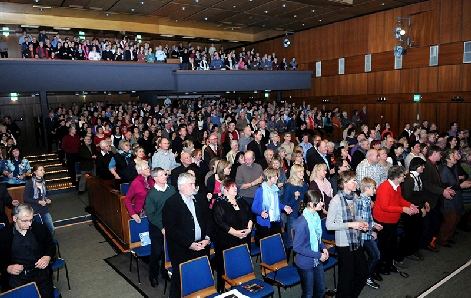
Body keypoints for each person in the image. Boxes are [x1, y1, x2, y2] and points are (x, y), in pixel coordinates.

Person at [162, 173, 213, 298]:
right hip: (182, 250)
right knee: (180, 280)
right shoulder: (171, 203)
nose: (194, 186)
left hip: (202, 246)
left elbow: (209, 220)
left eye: (194, 183)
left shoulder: (200, 199)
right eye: (191, 184)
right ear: (181, 186)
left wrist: (207, 238)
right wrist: (189, 244)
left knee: (200, 275)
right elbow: (171, 230)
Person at [326, 171, 369, 298]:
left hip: (356, 240)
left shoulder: (354, 197)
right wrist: (351, 225)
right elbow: (329, 225)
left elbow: (356, 216)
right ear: (345, 183)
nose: (356, 183)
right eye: (353, 181)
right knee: (347, 278)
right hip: (344, 243)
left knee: (362, 273)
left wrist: (362, 223)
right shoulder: (336, 201)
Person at [0, 204, 55, 297]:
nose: (29, 224)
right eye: (25, 221)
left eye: (31, 220)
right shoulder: (4, 235)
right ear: (14, 219)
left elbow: (50, 245)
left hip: (40, 275)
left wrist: (47, 257)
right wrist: (7, 268)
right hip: (16, 280)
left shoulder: (39, 229)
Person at [373, 166, 419, 275]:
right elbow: (385, 207)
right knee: (384, 245)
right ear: (396, 176)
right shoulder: (384, 188)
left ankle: (389, 264)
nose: (404, 178)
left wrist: (409, 205)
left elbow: (399, 199)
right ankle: (381, 267)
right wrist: (403, 209)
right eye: (403, 176)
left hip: (393, 219)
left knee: (392, 244)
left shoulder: (397, 186)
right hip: (384, 220)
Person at [213, 179, 253, 292]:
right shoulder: (219, 204)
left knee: (242, 263)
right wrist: (236, 233)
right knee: (226, 266)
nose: (236, 188)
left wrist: (249, 229)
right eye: (232, 187)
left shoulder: (241, 201)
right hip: (227, 239)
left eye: (236, 186)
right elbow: (220, 222)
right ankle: (222, 288)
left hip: (244, 237)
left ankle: (242, 284)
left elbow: (250, 215)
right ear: (225, 189)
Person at [293, 190, 328, 298]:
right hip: (306, 263)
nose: (322, 204)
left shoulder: (315, 217)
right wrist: (319, 255)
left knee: (321, 291)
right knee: (308, 294)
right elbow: (297, 247)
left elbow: (316, 237)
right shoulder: (302, 222)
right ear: (310, 204)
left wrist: (323, 247)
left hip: (316, 260)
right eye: (319, 201)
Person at [145, 167, 176, 288]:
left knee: (167, 251)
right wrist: (161, 227)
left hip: (171, 225)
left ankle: (164, 272)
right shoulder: (152, 194)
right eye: (163, 175)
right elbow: (151, 215)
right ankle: (153, 275)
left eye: (165, 174)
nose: (166, 176)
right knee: (156, 252)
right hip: (157, 227)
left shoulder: (172, 189)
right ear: (156, 178)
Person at [437, 149, 471, 247]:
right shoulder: (443, 170)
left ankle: (448, 237)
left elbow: (460, 178)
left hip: (457, 197)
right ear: (447, 159)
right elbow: (446, 186)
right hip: (448, 199)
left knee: (456, 218)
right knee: (450, 220)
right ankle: (442, 240)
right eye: (453, 156)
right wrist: (461, 186)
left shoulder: (454, 167)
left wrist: (462, 182)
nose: (456, 157)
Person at [398, 157, 428, 261]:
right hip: (410, 210)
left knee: (417, 230)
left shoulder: (417, 177)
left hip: (416, 208)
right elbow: (407, 197)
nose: (423, 167)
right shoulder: (409, 179)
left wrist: (423, 204)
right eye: (422, 165)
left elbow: (419, 194)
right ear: (417, 166)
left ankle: (413, 249)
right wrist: (420, 207)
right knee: (411, 232)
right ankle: (408, 251)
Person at [252, 167, 293, 241]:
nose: (277, 178)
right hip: (264, 223)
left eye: (276, 176)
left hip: (275, 221)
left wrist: (284, 207)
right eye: (274, 176)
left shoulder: (275, 189)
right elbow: (254, 208)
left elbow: (276, 205)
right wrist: (261, 212)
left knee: (278, 243)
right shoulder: (260, 191)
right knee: (267, 246)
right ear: (268, 177)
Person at [357, 177, 383, 289]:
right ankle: (365, 277)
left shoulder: (367, 200)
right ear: (366, 188)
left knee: (375, 255)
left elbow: (368, 218)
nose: (375, 190)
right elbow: (359, 220)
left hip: (366, 234)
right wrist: (371, 230)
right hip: (362, 235)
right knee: (374, 255)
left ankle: (365, 276)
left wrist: (374, 225)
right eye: (373, 188)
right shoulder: (360, 201)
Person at [283, 164, 308, 261]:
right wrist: (295, 198)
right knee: (291, 240)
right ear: (294, 173)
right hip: (293, 216)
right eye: (300, 171)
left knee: (302, 239)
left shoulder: (304, 184)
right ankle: (287, 260)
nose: (302, 173)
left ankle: (297, 261)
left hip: (303, 215)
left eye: (303, 171)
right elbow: (285, 204)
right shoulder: (289, 186)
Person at [23, 165, 54, 236]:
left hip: (43, 208)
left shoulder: (43, 182)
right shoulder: (30, 183)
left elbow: (44, 195)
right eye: (41, 170)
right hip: (34, 210)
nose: (43, 171)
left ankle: (48, 241)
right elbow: (26, 198)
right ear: (35, 172)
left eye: (43, 170)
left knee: (51, 228)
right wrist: (38, 201)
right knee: (38, 230)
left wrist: (47, 199)